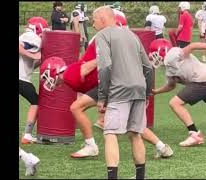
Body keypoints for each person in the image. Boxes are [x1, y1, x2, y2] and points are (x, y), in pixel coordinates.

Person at [39, 12, 173, 160]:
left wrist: (104, 61)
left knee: (76, 107)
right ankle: (162, 147)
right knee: (132, 124)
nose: (93, 23)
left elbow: (89, 66)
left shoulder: (72, 70)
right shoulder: (125, 38)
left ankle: (91, 146)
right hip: (120, 83)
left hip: (111, 83)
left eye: (95, 20)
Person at [93, 6, 152, 179]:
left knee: (110, 133)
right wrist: (147, 92)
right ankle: (140, 176)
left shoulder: (102, 36)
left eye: (94, 19)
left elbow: (105, 66)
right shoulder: (132, 35)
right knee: (135, 134)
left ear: (103, 19)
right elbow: (148, 67)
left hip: (119, 91)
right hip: (139, 89)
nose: (92, 22)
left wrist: (102, 96)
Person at [19, 17, 49, 144]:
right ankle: (27, 135)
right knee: (36, 102)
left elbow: (29, 64)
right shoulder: (31, 36)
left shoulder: (31, 39)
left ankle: (27, 135)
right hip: (20, 78)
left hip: (23, 77)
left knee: (36, 101)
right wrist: (33, 55)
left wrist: (39, 60)